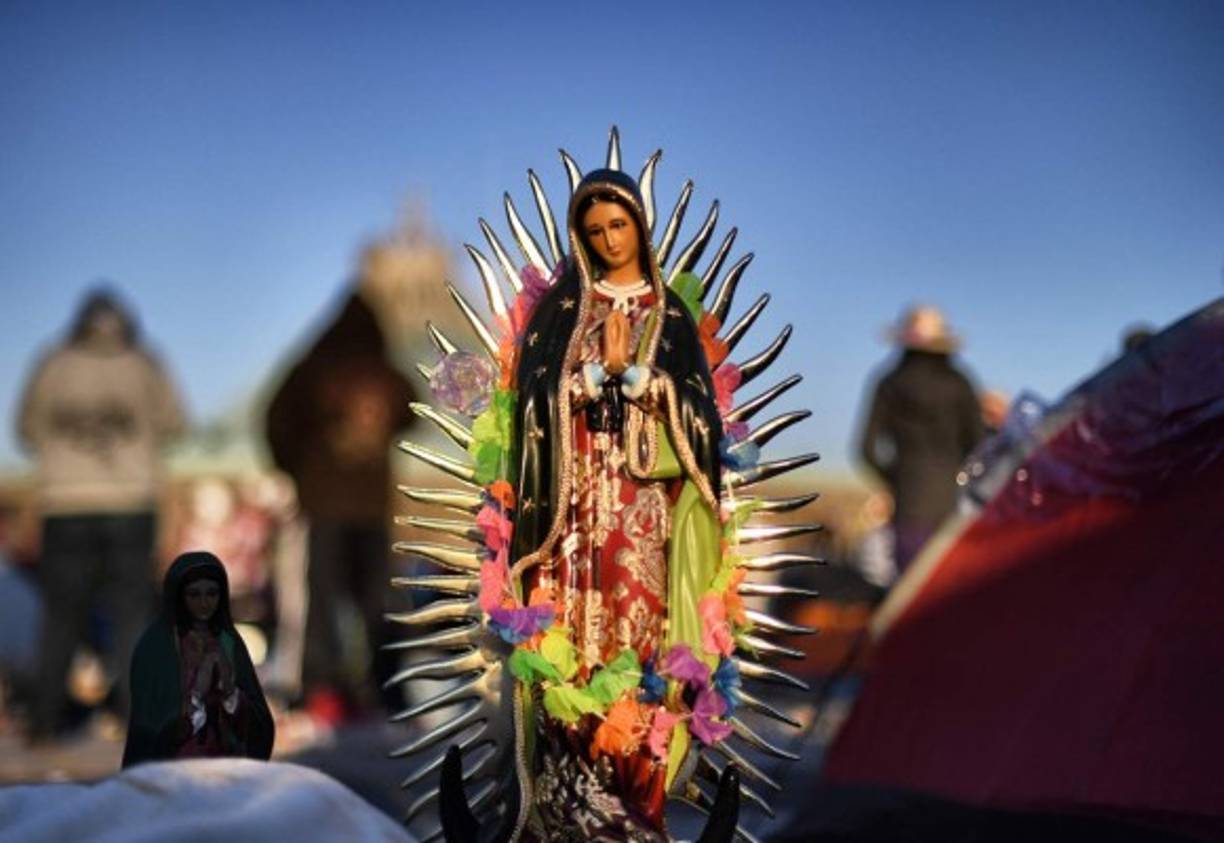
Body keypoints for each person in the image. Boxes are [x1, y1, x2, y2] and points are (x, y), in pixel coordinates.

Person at [493, 169, 724, 839]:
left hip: (643, 502)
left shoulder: (668, 317)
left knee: (639, 637)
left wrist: (651, 386)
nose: (607, 239)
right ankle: (572, 796)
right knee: (573, 641)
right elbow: (534, 402)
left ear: (638, 227)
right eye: (594, 231)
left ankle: (634, 794)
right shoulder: (564, 311)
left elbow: (701, 421)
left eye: (617, 226)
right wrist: (586, 381)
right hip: (574, 511)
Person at [18, 288, 186, 739]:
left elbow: (26, 427)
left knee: (60, 616)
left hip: (65, 502)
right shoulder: (144, 362)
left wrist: (68, 450)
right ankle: (140, 718)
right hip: (130, 501)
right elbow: (176, 422)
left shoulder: (53, 362)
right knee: (131, 614)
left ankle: (43, 720)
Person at [264, 291, 414, 717]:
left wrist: (298, 470)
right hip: (368, 506)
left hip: (326, 504)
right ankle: (387, 690)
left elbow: (275, 420)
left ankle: (321, 686)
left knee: (324, 600)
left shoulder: (311, 369)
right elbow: (413, 409)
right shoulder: (383, 373)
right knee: (377, 602)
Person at [859, 304, 984, 572]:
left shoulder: (888, 382)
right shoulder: (960, 383)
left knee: (909, 591)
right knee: (947, 593)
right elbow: (980, 445)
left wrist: (898, 480)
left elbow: (865, 450)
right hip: (952, 507)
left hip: (909, 503)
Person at [122, 551, 274, 767]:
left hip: (222, 761)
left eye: (212, 594)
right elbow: (150, 719)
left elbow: (257, 719)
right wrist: (194, 699)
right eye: (194, 595)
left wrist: (231, 694)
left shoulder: (228, 642)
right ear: (179, 596)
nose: (204, 603)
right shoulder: (158, 646)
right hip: (175, 764)